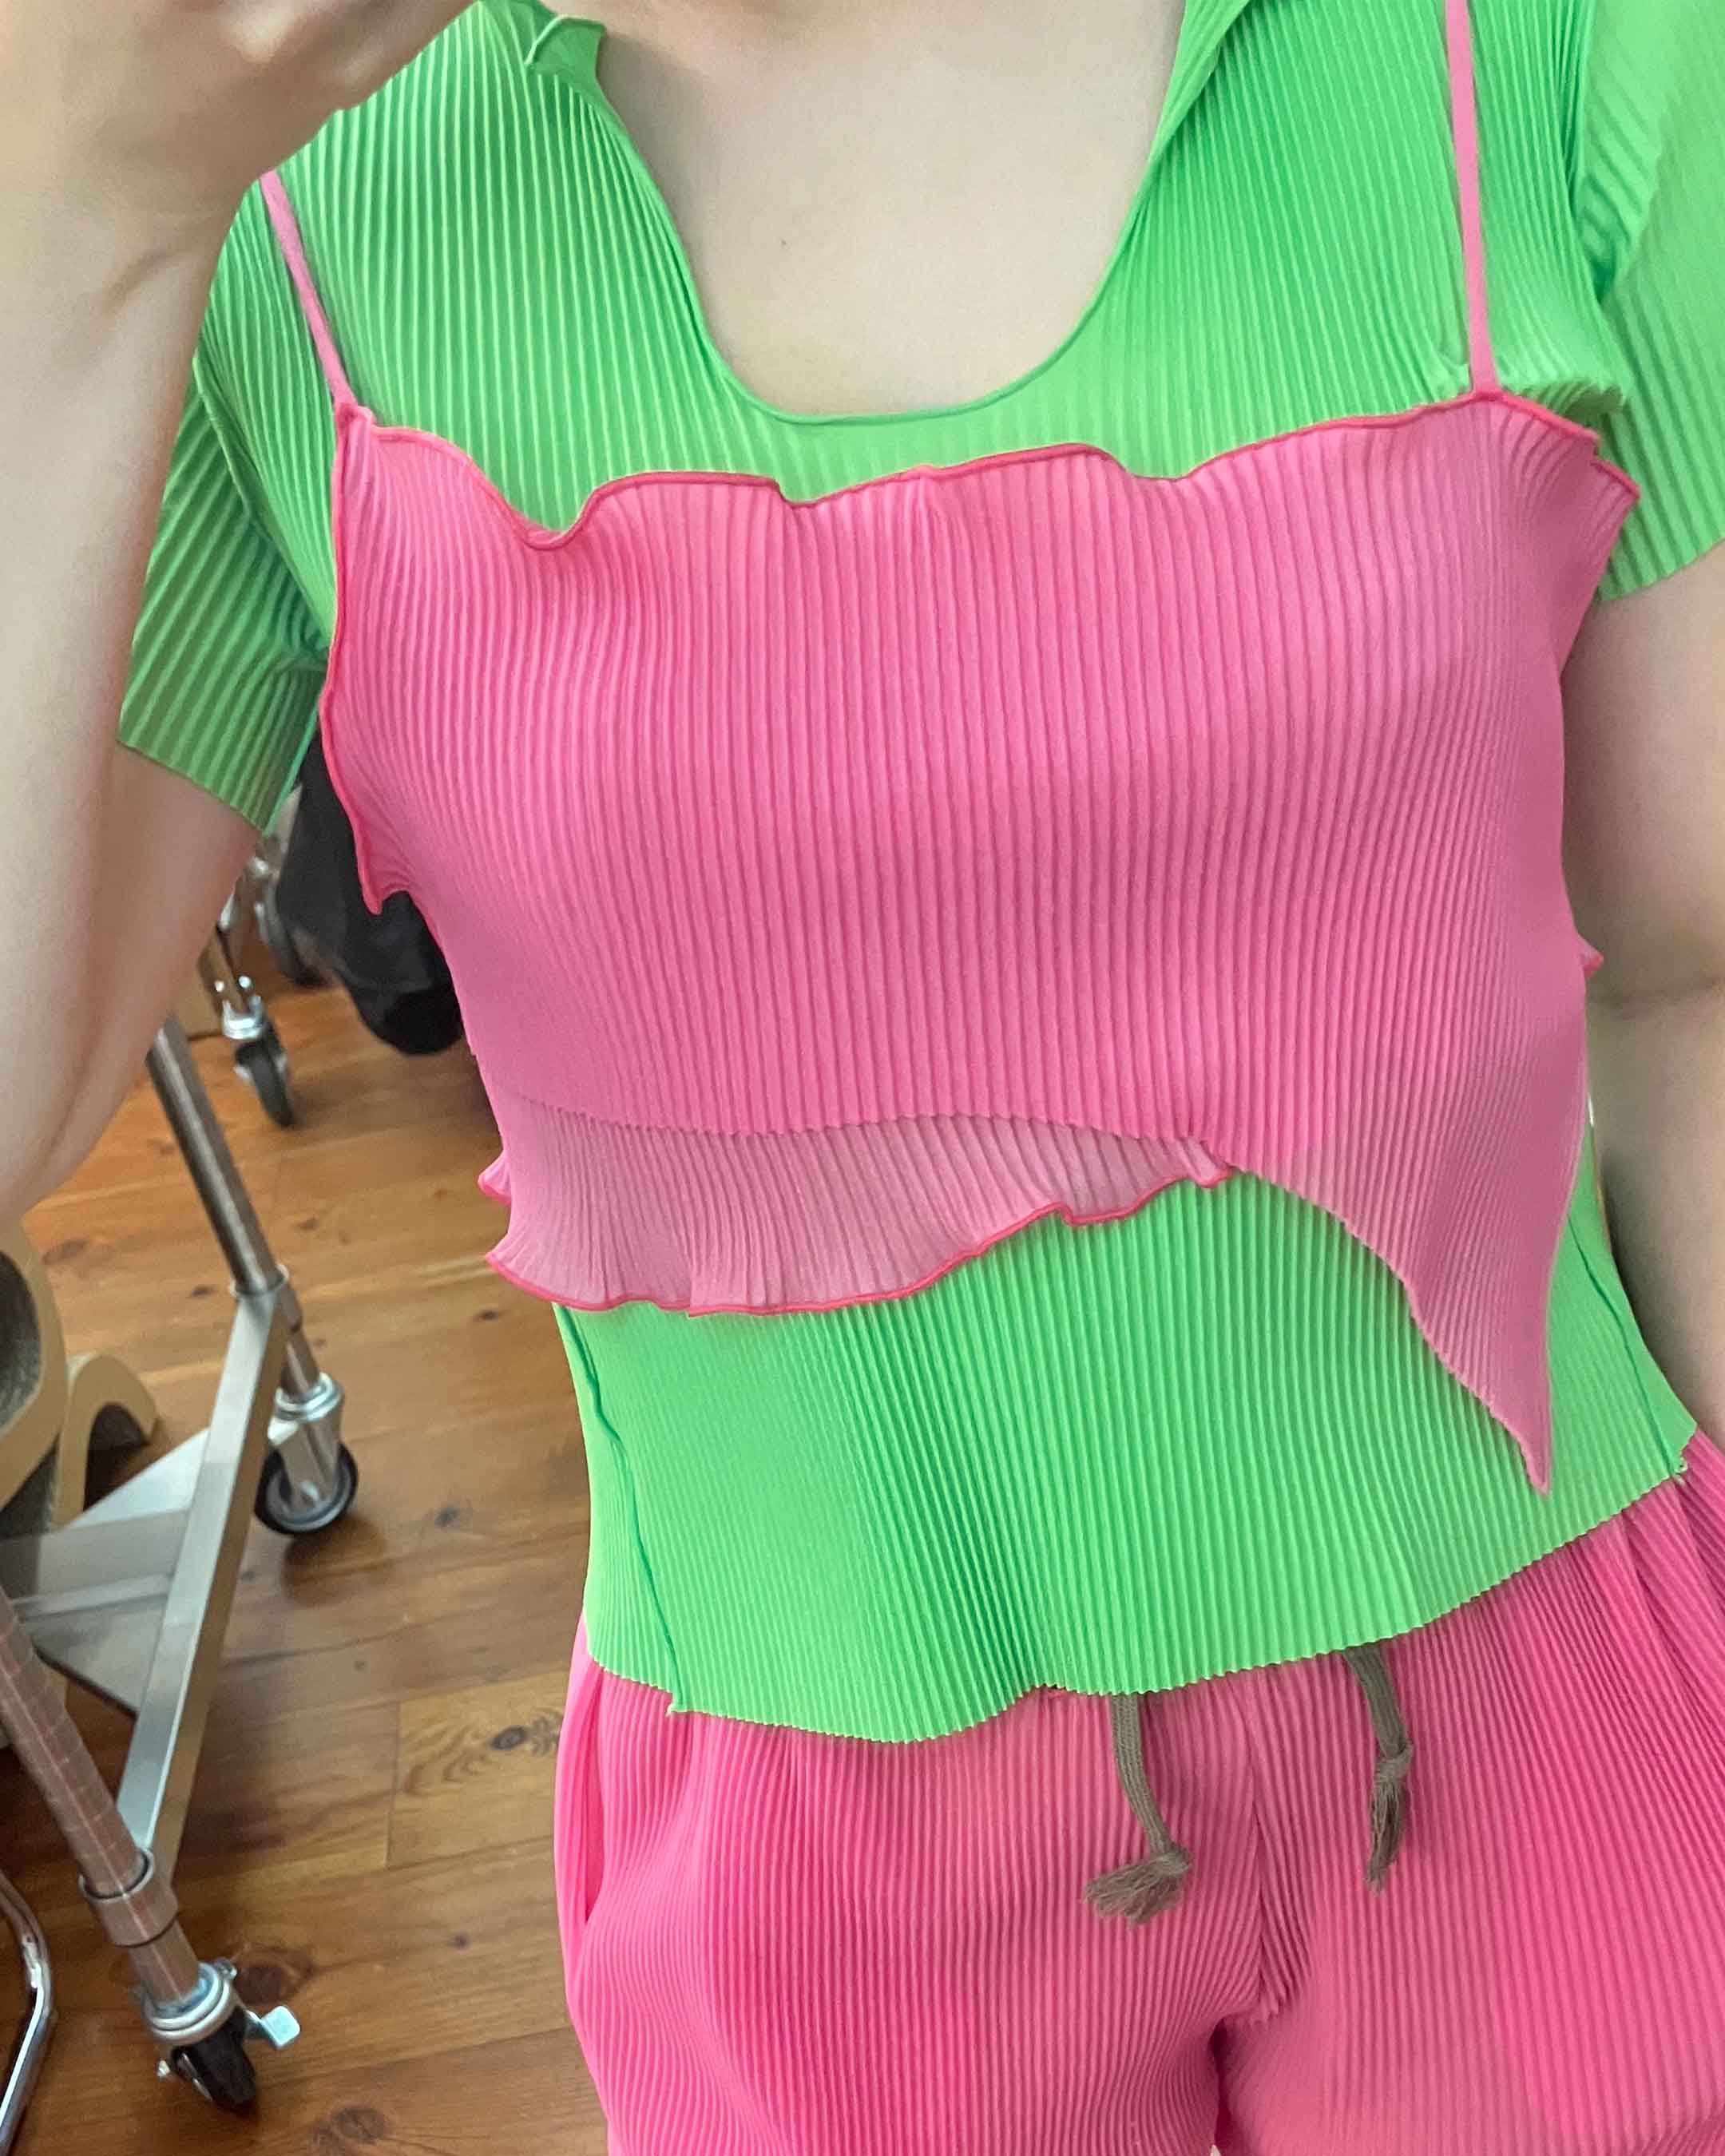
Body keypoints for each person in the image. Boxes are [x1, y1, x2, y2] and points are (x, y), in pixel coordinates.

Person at [3, 0, 1723, 2147]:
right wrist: (78, 199)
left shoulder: (1546, 41)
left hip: (1565, 1727)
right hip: (822, 1881)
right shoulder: (251, 185)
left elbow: (1696, 971)